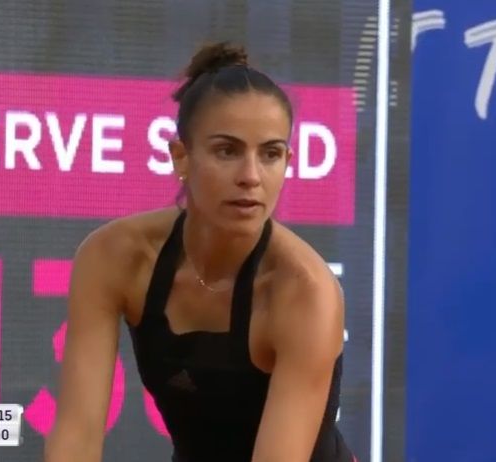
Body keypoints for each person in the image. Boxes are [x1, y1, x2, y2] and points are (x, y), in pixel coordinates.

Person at [44, 41, 354, 462]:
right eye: (227, 151)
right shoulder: (113, 256)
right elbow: (76, 439)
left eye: (270, 154)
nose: (251, 176)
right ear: (181, 157)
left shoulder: (306, 291)